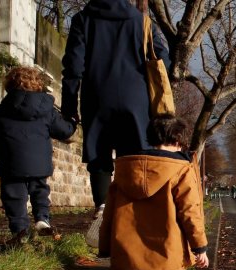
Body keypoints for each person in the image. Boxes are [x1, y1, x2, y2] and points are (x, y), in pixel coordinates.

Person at [98, 114, 208, 270]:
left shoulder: (126, 168)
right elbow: (190, 211)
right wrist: (200, 247)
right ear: (178, 140)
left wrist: (106, 247)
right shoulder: (181, 168)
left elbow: (109, 211)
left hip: (132, 253)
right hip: (170, 252)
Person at [61, 0, 171, 217]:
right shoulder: (143, 22)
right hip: (136, 99)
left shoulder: (82, 20)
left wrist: (69, 105)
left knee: (98, 154)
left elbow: (73, 66)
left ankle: (102, 208)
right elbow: (163, 60)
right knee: (132, 154)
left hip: (97, 97)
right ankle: (130, 212)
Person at [0, 66, 77, 243]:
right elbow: (64, 132)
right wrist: (72, 121)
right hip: (40, 164)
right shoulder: (48, 109)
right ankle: (42, 219)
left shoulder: (0, 110)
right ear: (38, 84)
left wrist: (1, 154)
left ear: (9, 85)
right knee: (40, 191)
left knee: (14, 195)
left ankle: (20, 231)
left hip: (11, 163)